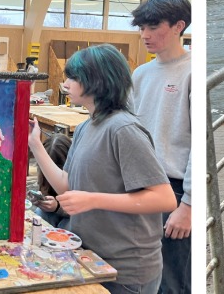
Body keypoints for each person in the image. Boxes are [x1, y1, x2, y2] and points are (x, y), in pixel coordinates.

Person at [28, 44, 176, 294]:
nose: (66, 83)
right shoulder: (88, 125)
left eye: (73, 77)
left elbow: (164, 198)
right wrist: (36, 144)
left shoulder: (123, 129)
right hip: (91, 258)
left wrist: (93, 200)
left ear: (94, 81)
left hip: (126, 271)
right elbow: (67, 184)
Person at [130, 0, 192, 294]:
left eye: (153, 27)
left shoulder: (192, 71)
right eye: (141, 27)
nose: (145, 35)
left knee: (174, 281)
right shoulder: (140, 74)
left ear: (179, 26)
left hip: (177, 188)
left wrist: (188, 206)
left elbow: (199, 144)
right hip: (140, 185)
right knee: (146, 275)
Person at [32, 131, 71, 228]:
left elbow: (81, 213)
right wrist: (40, 200)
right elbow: (45, 191)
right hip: (54, 212)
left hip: (71, 215)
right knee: (40, 214)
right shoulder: (43, 170)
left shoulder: (77, 175)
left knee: (65, 225)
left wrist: (57, 207)